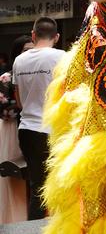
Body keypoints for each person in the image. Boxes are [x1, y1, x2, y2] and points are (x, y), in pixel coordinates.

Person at [13, 17, 65, 220]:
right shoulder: (62, 57)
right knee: (60, 185)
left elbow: (19, 102)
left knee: (36, 187)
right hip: (54, 130)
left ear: (33, 35)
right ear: (57, 37)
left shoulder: (19, 60)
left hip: (27, 129)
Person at [0, 35, 33, 223]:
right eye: (26, 50)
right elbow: (3, 111)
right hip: (12, 130)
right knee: (14, 177)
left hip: (33, 128)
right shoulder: (6, 78)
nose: (30, 54)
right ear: (17, 54)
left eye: (33, 49)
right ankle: (15, 220)